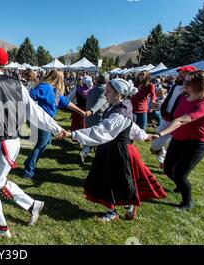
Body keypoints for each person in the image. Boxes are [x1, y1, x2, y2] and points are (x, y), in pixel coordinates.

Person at [0, 46, 67, 237]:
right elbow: (35, 113)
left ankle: (0, 227)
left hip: (0, 143)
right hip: (11, 142)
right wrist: (56, 128)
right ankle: (33, 205)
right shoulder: (18, 84)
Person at [70, 79, 167, 222]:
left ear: (119, 94)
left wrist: (73, 134)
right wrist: (144, 135)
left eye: (108, 91)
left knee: (117, 182)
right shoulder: (119, 106)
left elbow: (102, 130)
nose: (105, 93)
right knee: (105, 181)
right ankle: (113, 210)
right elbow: (131, 125)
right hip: (108, 149)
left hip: (117, 152)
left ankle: (125, 209)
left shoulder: (120, 112)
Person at [152, 70, 204, 211]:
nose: (184, 83)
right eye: (185, 80)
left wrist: (160, 134)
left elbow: (181, 120)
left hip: (196, 142)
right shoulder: (184, 97)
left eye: (189, 81)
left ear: (200, 84)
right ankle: (180, 185)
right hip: (178, 138)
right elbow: (174, 114)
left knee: (180, 173)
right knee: (167, 168)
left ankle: (187, 202)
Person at [23, 70, 85, 179]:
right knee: (42, 144)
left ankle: (29, 162)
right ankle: (28, 171)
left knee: (46, 142)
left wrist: (80, 111)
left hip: (47, 121)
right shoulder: (44, 86)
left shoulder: (55, 91)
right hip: (41, 120)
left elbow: (65, 102)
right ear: (59, 78)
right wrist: (34, 110)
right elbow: (29, 96)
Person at [150, 66, 197, 168]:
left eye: (184, 73)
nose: (180, 75)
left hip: (177, 122)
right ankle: (165, 159)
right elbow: (170, 101)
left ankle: (168, 163)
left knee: (171, 147)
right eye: (180, 73)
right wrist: (161, 105)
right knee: (154, 145)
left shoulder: (190, 91)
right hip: (166, 118)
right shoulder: (175, 86)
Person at [79, 74, 109, 163]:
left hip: (89, 118)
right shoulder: (104, 90)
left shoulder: (92, 90)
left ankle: (85, 151)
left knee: (91, 136)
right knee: (98, 137)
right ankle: (85, 152)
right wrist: (92, 111)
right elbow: (100, 102)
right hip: (98, 117)